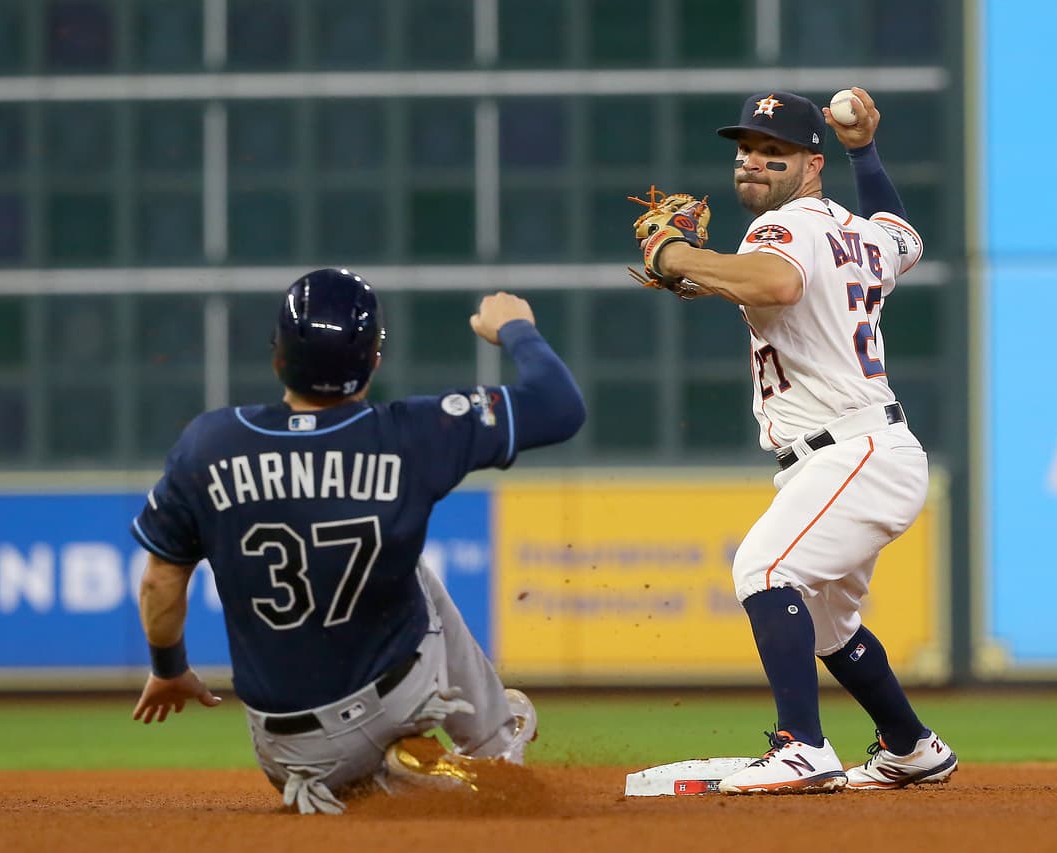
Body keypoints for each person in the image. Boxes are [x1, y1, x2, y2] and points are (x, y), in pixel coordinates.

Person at [129, 269, 586, 814]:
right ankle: (493, 747)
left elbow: (161, 580)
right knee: (405, 563)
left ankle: (370, 779)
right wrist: (516, 329)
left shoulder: (208, 444)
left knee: (386, 576)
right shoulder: (411, 433)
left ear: (277, 356)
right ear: (373, 359)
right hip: (391, 703)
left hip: (284, 747)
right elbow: (560, 406)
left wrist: (168, 666)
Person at [632, 89, 957, 793]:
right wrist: (865, 149)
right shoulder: (861, 235)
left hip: (853, 451)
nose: (751, 162)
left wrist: (680, 257)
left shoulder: (782, 229)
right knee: (828, 620)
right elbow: (904, 230)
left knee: (765, 571)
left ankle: (801, 745)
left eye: (772, 152)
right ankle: (911, 744)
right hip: (867, 449)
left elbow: (778, 282)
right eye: (746, 150)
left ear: (811, 164)